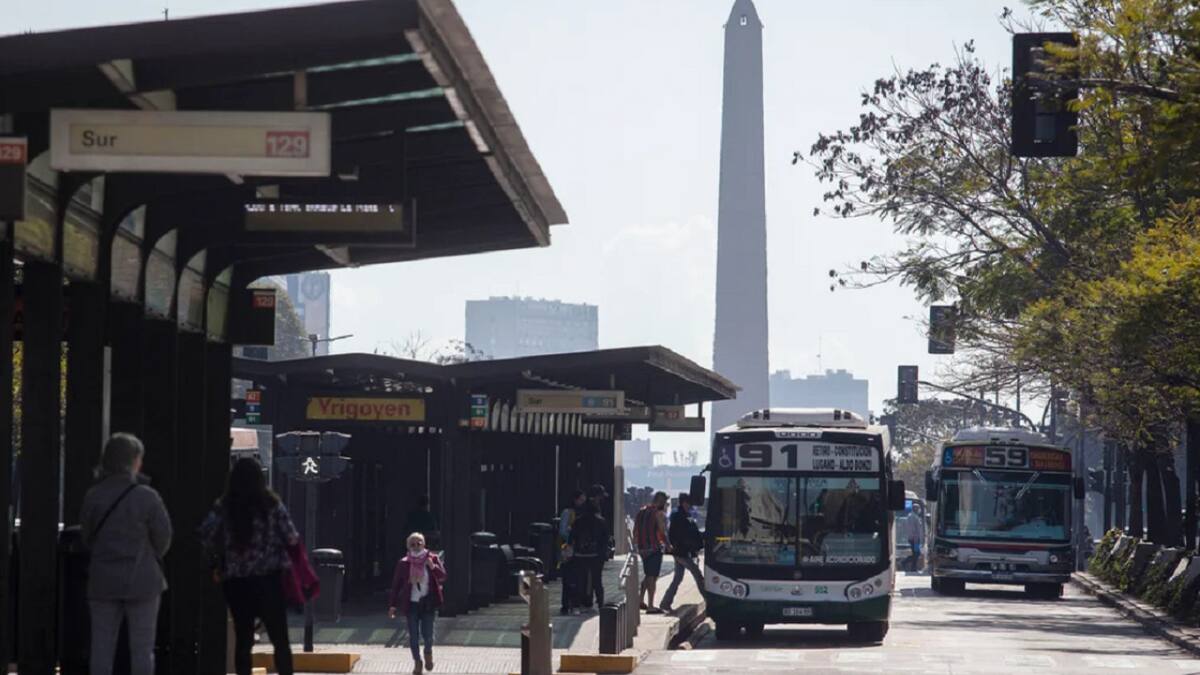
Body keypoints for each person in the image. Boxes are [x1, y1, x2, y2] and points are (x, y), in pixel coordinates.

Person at [80, 433, 172, 675]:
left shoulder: (94, 496)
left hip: (103, 580)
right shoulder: (147, 497)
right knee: (142, 650)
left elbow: (86, 536)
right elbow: (163, 537)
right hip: (142, 579)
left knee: (101, 648)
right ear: (134, 461)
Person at [200, 458, 300, 675]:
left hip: (236, 583)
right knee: (280, 640)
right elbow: (291, 537)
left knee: (243, 640)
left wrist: (215, 565)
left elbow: (206, 536)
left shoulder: (224, 507)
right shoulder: (272, 505)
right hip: (270, 581)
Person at [388, 532, 447, 674]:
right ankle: (417, 662)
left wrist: (433, 567)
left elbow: (443, 576)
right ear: (408, 547)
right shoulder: (404, 563)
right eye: (412, 544)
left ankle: (428, 654)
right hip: (412, 604)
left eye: (419, 543)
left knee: (428, 636)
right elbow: (396, 585)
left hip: (427, 603)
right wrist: (392, 605)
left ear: (424, 544)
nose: (416, 546)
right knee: (413, 637)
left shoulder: (432, 558)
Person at [659, 493, 705, 613]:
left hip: (682, 551)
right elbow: (678, 534)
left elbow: (691, 532)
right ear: (684, 502)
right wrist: (687, 545)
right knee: (698, 575)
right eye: (689, 503)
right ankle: (709, 600)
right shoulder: (679, 516)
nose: (690, 505)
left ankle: (665, 603)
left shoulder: (684, 515)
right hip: (681, 552)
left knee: (678, 578)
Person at [569, 498, 609, 612]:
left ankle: (577, 604)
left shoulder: (578, 521)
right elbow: (605, 540)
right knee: (597, 580)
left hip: (580, 555)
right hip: (596, 555)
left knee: (579, 579)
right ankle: (601, 603)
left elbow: (571, 538)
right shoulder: (601, 521)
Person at [632, 491, 669, 613]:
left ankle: (640, 600)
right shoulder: (658, 514)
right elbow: (662, 532)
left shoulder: (641, 512)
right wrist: (668, 545)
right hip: (654, 549)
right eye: (664, 502)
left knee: (648, 574)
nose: (665, 504)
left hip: (643, 549)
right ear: (660, 501)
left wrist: (638, 546)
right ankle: (651, 606)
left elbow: (635, 530)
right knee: (653, 577)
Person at [558, 490, 586, 615]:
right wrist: (573, 536)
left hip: (579, 550)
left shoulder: (582, 514)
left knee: (577, 577)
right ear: (575, 499)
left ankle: (575, 602)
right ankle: (565, 604)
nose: (582, 502)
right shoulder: (568, 512)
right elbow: (562, 531)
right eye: (581, 500)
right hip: (568, 549)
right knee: (568, 577)